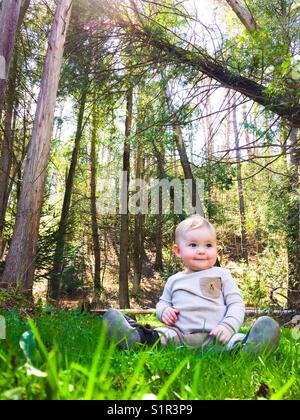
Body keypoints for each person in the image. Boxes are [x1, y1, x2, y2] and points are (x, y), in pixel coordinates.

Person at [103, 215, 280, 354]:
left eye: (209, 245)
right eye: (193, 245)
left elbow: (236, 304)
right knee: (160, 335)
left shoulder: (222, 275)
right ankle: (134, 339)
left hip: (218, 337)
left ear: (217, 249)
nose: (202, 251)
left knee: (235, 341)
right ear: (178, 251)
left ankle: (250, 348)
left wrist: (227, 326)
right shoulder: (174, 280)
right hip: (179, 336)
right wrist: (164, 312)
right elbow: (163, 304)